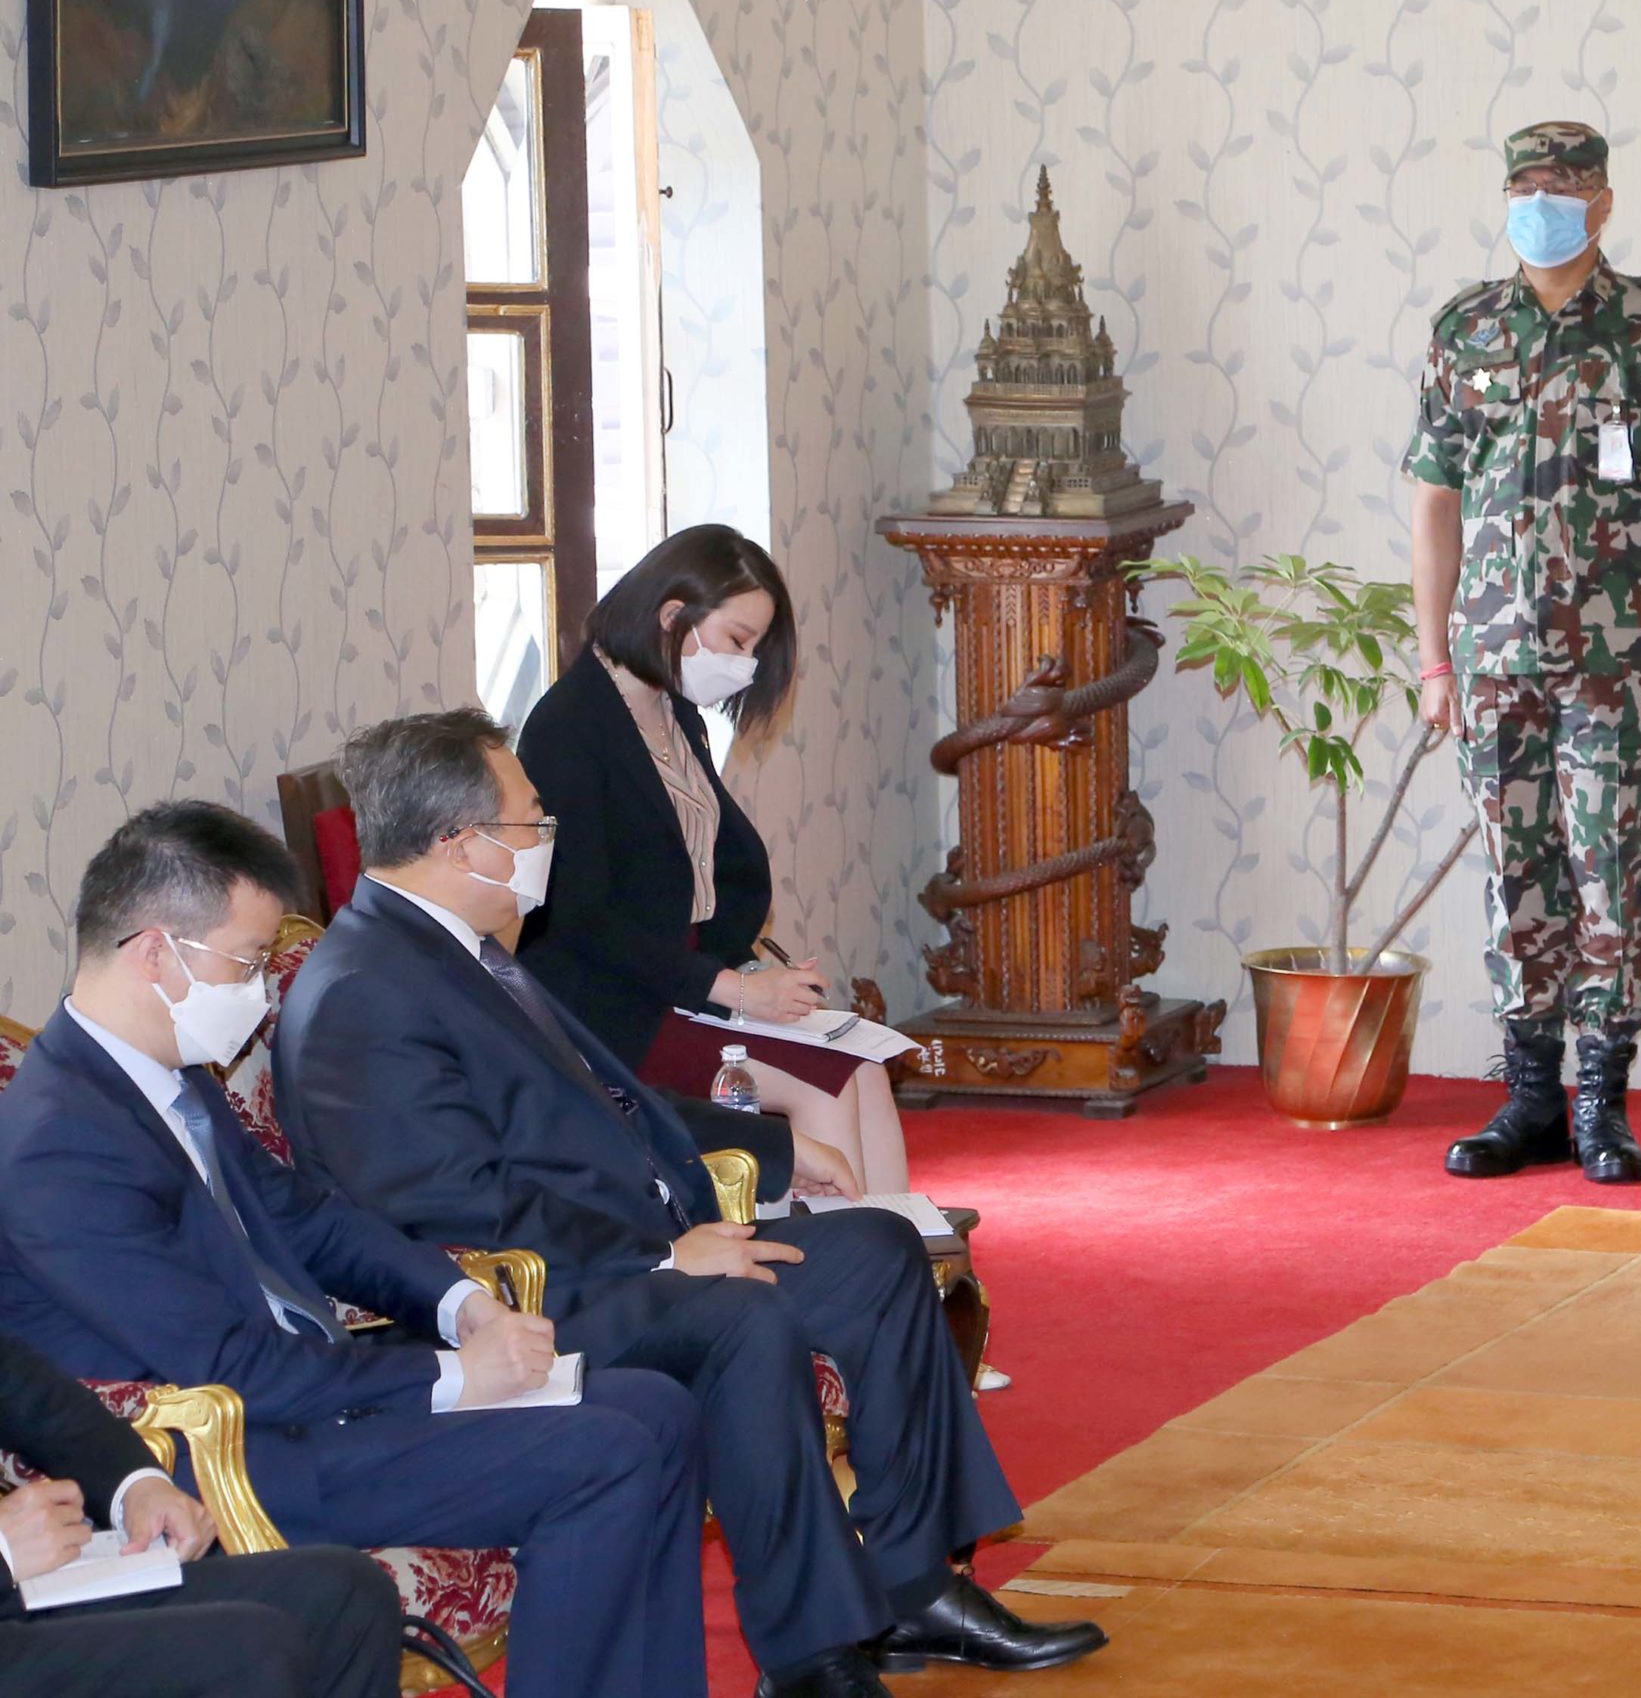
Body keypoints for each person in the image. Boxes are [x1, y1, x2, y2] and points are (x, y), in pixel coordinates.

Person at [275, 710, 1104, 1685]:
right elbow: (448, 1214)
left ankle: (914, 1586)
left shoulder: (465, 945)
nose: (550, 840)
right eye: (533, 820)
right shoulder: (362, 991)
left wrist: (776, 1149)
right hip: (528, 1294)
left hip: (631, 1243)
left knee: (877, 1247)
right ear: (463, 842)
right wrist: (664, 1258)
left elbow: (609, 1103)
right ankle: (817, 1655)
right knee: (738, 1316)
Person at [0, 803, 715, 1698]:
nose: (260, 992)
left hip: (319, 1393)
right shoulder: (56, 1143)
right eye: (247, 962)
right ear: (156, 953)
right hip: (243, 1449)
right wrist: (456, 1379)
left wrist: (466, 1307)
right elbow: (229, 1365)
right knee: (605, 1453)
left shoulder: (164, 1076)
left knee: (657, 1406)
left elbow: (309, 1219)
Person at [1407, 120, 1641, 1185]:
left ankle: (1602, 1096)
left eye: (1561, 185)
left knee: (1606, 875)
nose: (1539, 202)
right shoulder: (1465, 328)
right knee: (1515, 878)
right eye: (1522, 184)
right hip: (1493, 660)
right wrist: (1434, 663)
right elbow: (1432, 508)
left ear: (1602, 202)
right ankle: (1530, 1096)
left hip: (1619, 665)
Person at [515, 523, 907, 1201]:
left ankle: (910, 1270)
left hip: (681, 985)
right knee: (826, 1085)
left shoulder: (673, 714)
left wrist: (752, 975)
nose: (745, 665)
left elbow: (705, 872)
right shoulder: (568, 727)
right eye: (737, 641)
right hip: (605, 1010)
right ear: (673, 616)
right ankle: (842, 1285)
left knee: (863, 1067)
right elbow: (581, 918)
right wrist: (732, 990)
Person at [0, 1326, 403, 1698]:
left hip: (26, 1591)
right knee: (246, 1649)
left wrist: (139, 1486)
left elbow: (34, 1398)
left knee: (344, 1592)